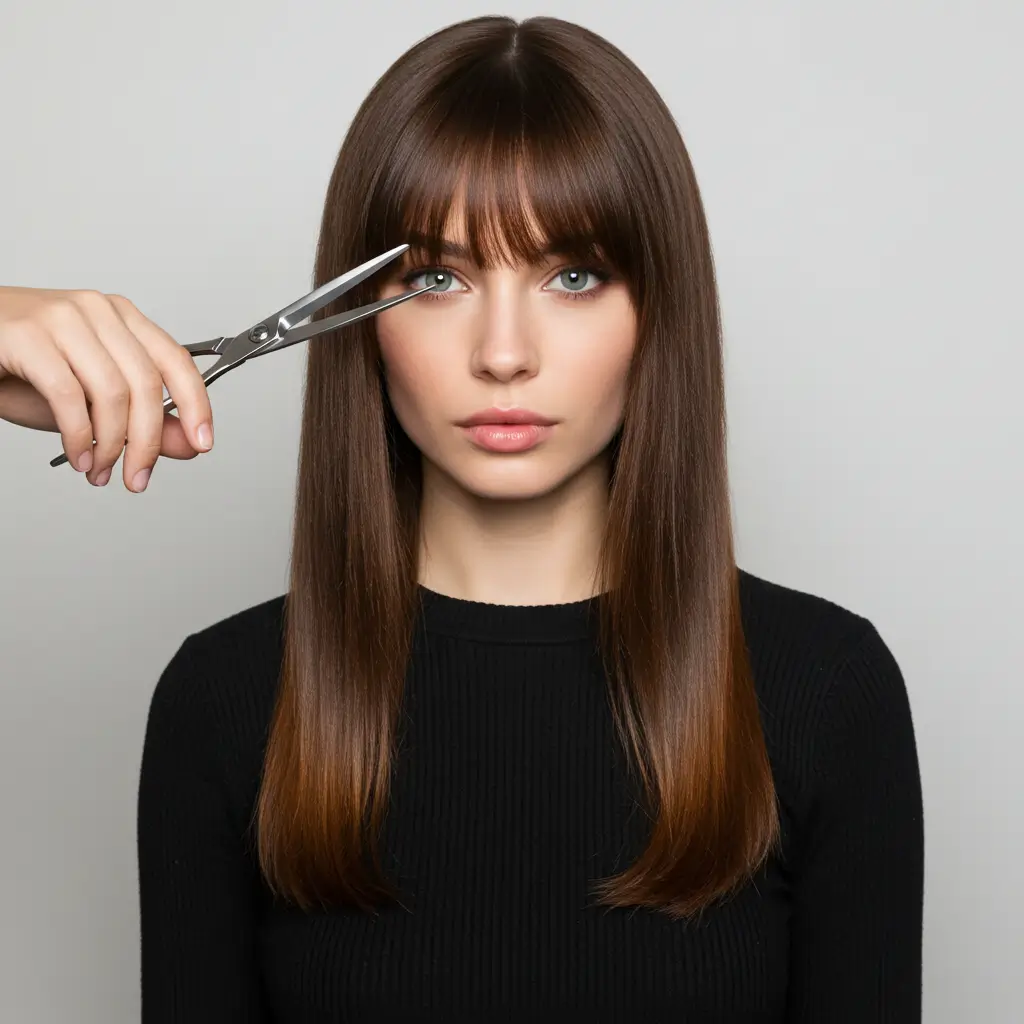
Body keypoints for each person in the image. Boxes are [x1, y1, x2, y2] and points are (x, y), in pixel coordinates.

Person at [0, 15, 925, 1023]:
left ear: (659, 309)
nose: (503, 353)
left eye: (574, 275)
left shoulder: (829, 693)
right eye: (436, 279)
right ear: (357, 321)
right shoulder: (223, 704)